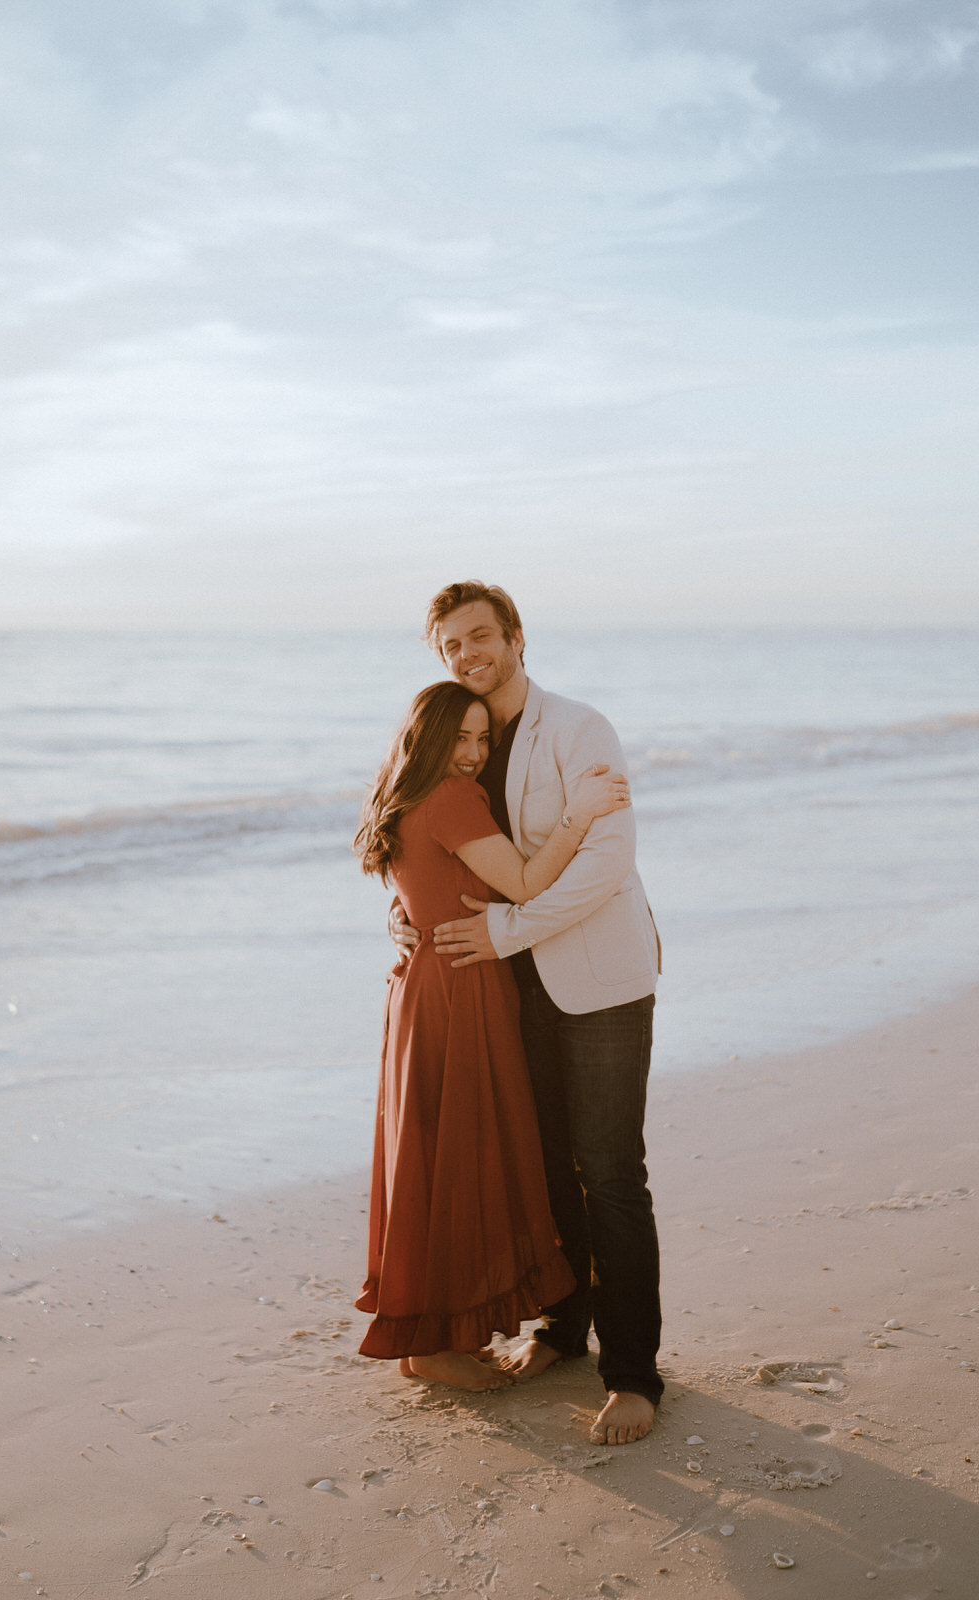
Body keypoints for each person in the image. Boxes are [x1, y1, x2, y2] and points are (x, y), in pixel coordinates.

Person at [392, 582, 663, 1444]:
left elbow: (604, 864)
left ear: (514, 637)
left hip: (598, 982)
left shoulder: (580, 729)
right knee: (546, 1171)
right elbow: (430, 846)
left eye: (479, 636)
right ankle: (561, 1329)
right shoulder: (459, 743)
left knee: (610, 1177)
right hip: (509, 994)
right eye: (451, 646)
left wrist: (502, 930)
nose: (468, 654)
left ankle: (632, 1376)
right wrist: (411, 915)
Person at [353, 680, 631, 1391]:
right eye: (461, 739)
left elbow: (420, 886)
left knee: (434, 1155)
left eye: (484, 740)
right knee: (456, 1162)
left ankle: (434, 1333)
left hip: (422, 983)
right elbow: (529, 884)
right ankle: (431, 1346)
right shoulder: (452, 797)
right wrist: (579, 815)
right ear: (429, 737)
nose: (474, 754)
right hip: (459, 987)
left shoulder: (399, 793)